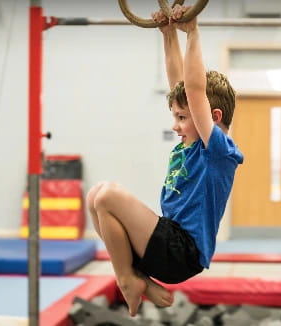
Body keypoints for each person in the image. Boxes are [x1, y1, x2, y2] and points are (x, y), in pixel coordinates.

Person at [85, 5, 243, 317]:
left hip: (184, 251)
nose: (175, 125)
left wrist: (193, 33)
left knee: (109, 195)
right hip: (167, 240)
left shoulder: (218, 151)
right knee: (96, 196)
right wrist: (168, 34)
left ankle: (127, 279)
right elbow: (181, 86)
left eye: (183, 117)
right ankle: (136, 278)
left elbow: (195, 92)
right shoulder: (194, 142)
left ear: (213, 117)